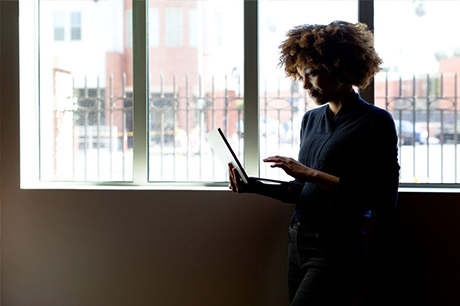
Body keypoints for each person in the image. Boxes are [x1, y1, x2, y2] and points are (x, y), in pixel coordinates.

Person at [228, 20, 400, 306]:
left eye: (312, 74)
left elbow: (383, 199)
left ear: (340, 69)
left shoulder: (376, 122)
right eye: (301, 76)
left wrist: (310, 173)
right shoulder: (311, 120)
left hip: (338, 249)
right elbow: (302, 190)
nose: (304, 84)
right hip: (298, 243)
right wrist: (253, 186)